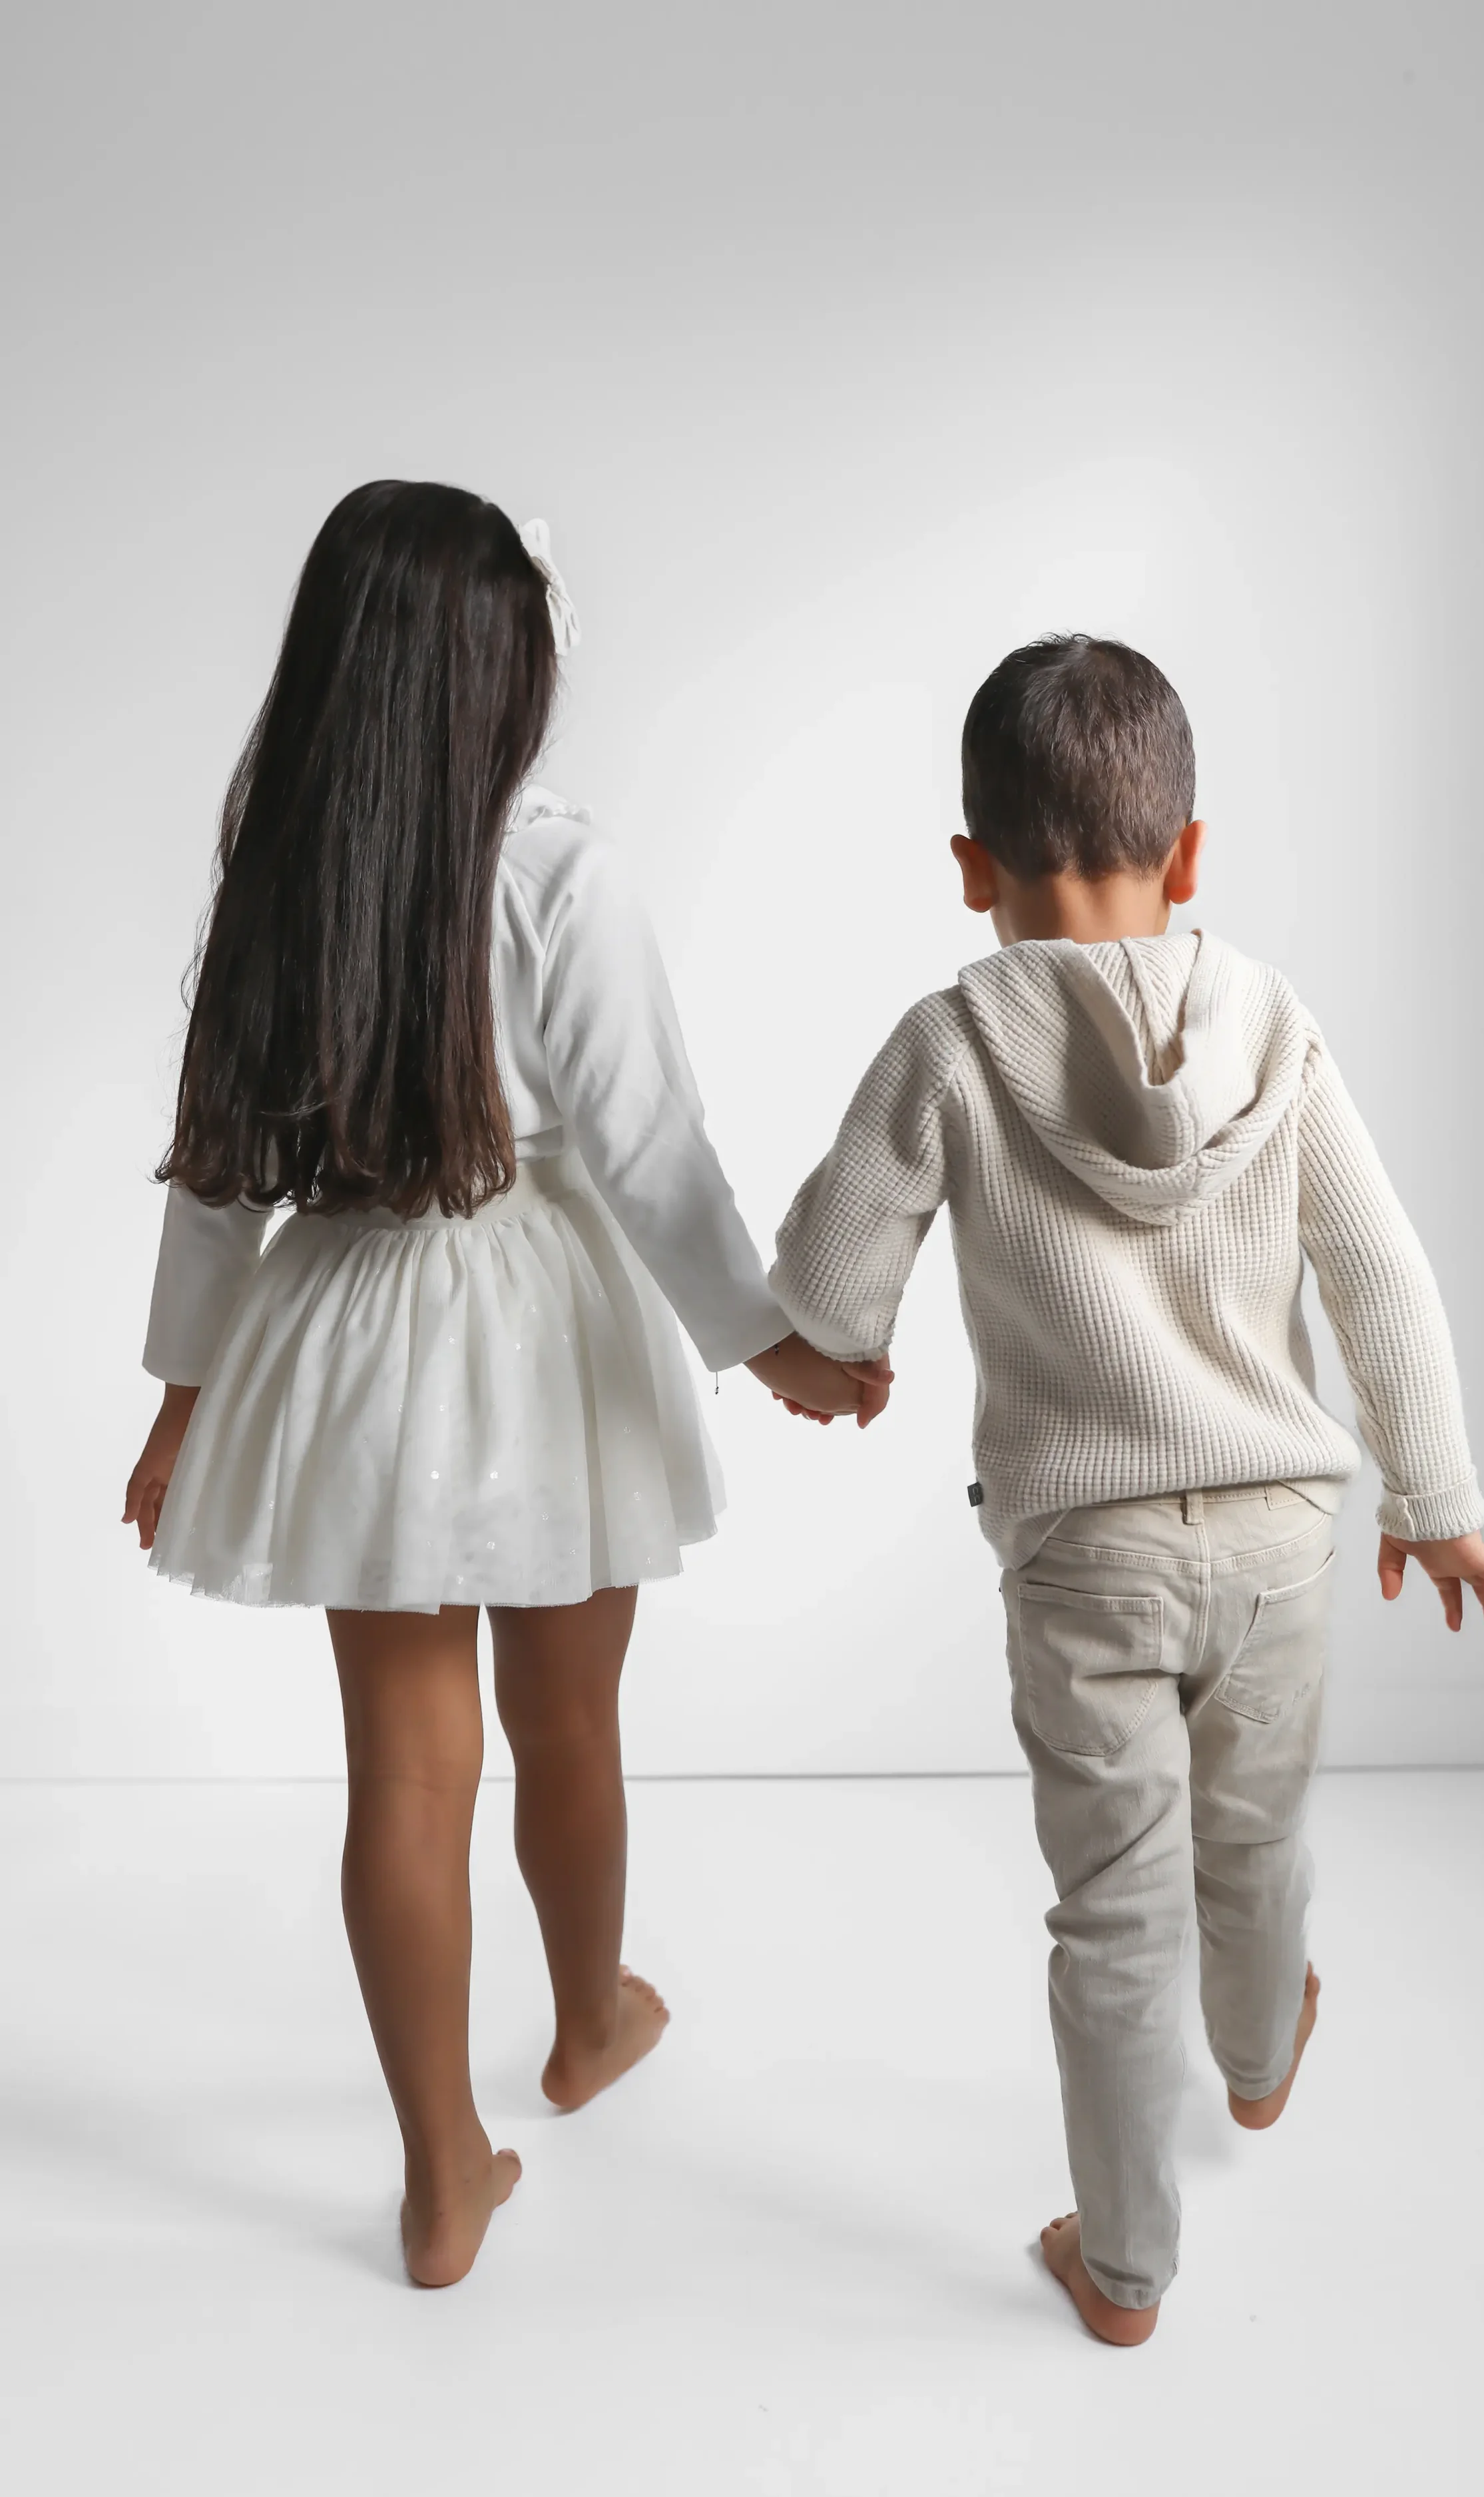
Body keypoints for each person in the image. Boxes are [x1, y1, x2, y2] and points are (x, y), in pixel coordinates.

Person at [123, 481, 884, 2289]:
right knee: (570, 1723)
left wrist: (180, 1394)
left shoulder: (280, 872)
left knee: (402, 1770)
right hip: (544, 1322)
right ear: (500, 670)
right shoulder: (557, 866)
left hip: (352, 1329)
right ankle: (587, 2012)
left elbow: (219, 1170)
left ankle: (439, 2169)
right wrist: (770, 1335)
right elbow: (647, 1147)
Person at [768, 635, 1484, 2344]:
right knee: (1252, 1842)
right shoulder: (1271, 1023)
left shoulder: (950, 1042)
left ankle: (1120, 2275)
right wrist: (1435, 1499)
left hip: (1082, 1554)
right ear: (1186, 857)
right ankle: (1256, 2067)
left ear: (972, 871)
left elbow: (828, 1276)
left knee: (1111, 1914)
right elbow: (1375, 1272)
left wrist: (828, 1362)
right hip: (1277, 1533)